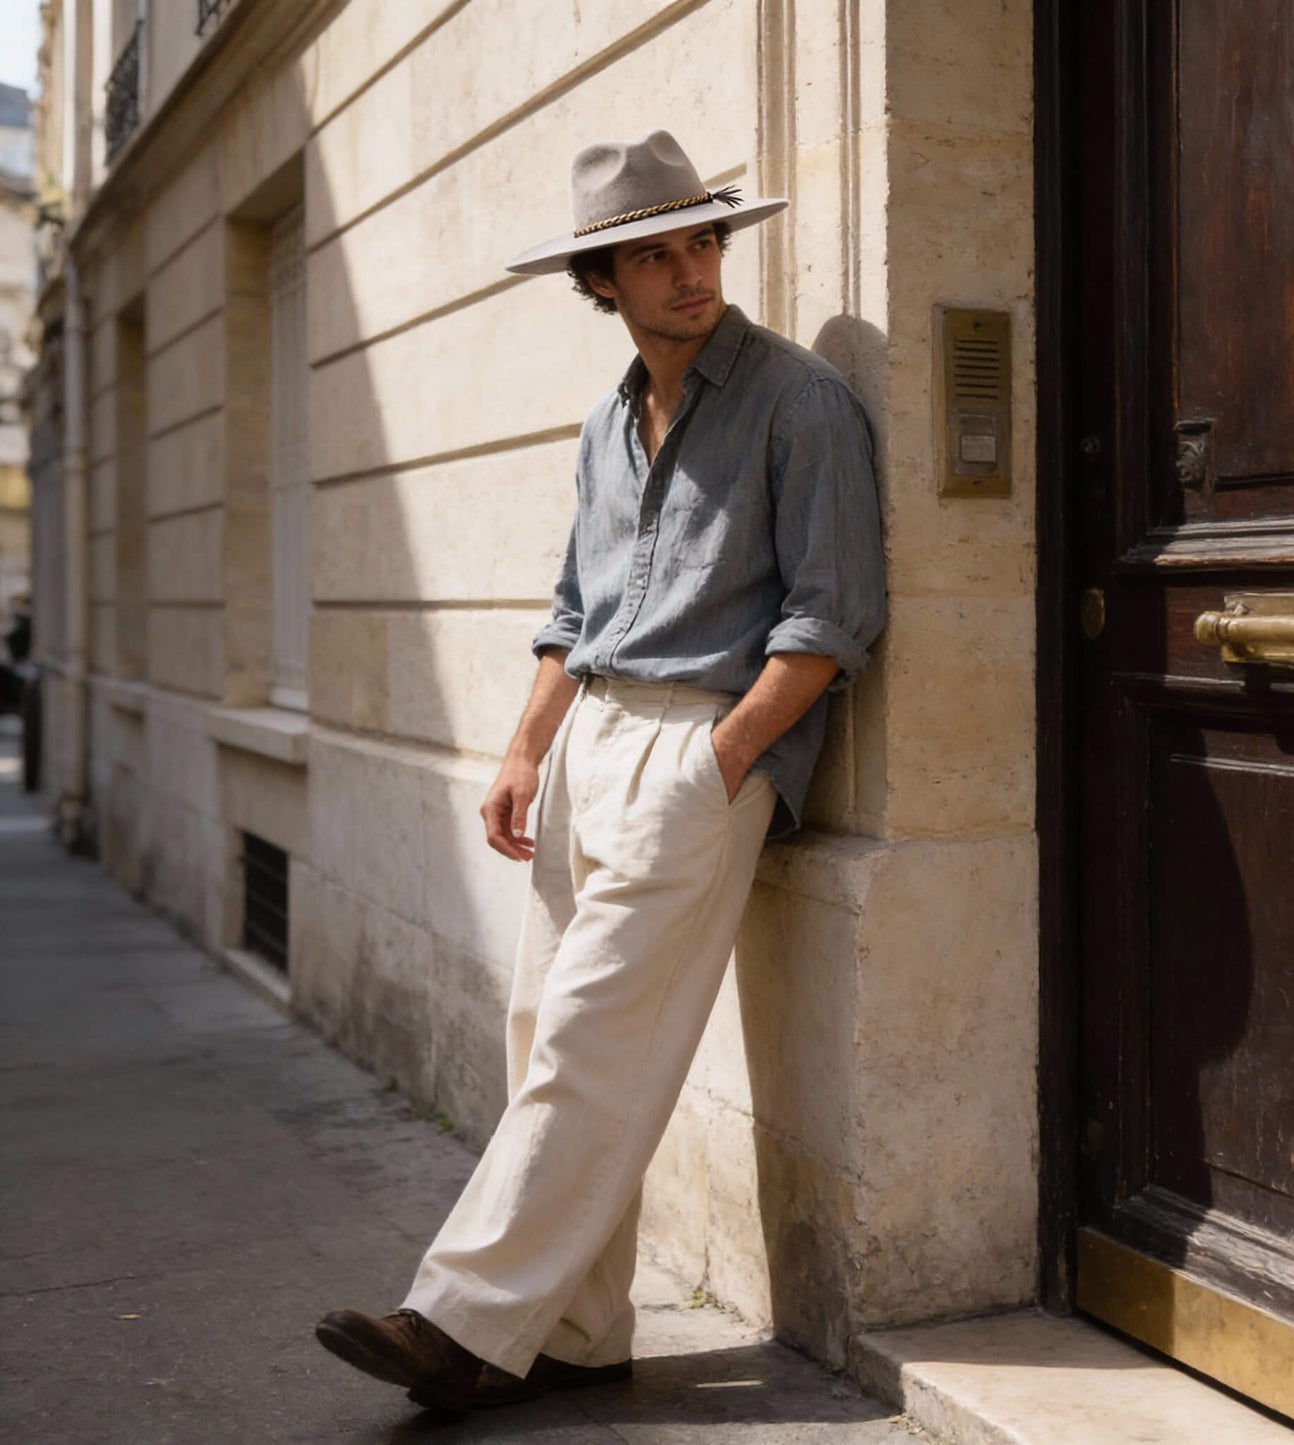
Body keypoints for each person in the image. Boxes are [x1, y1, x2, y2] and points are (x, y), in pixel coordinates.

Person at [316, 129, 886, 1415]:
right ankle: (577, 1331)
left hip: (700, 747)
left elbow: (832, 615)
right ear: (601, 281)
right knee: (544, 1035)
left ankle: (454, 1316)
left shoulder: (799, 402)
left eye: (704, 242)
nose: (692, 272)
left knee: (588, 1038)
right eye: (654, 255)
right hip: (590, 747)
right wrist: (526, 747)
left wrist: (722, 759)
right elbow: (575, 608)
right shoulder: (605, 424)